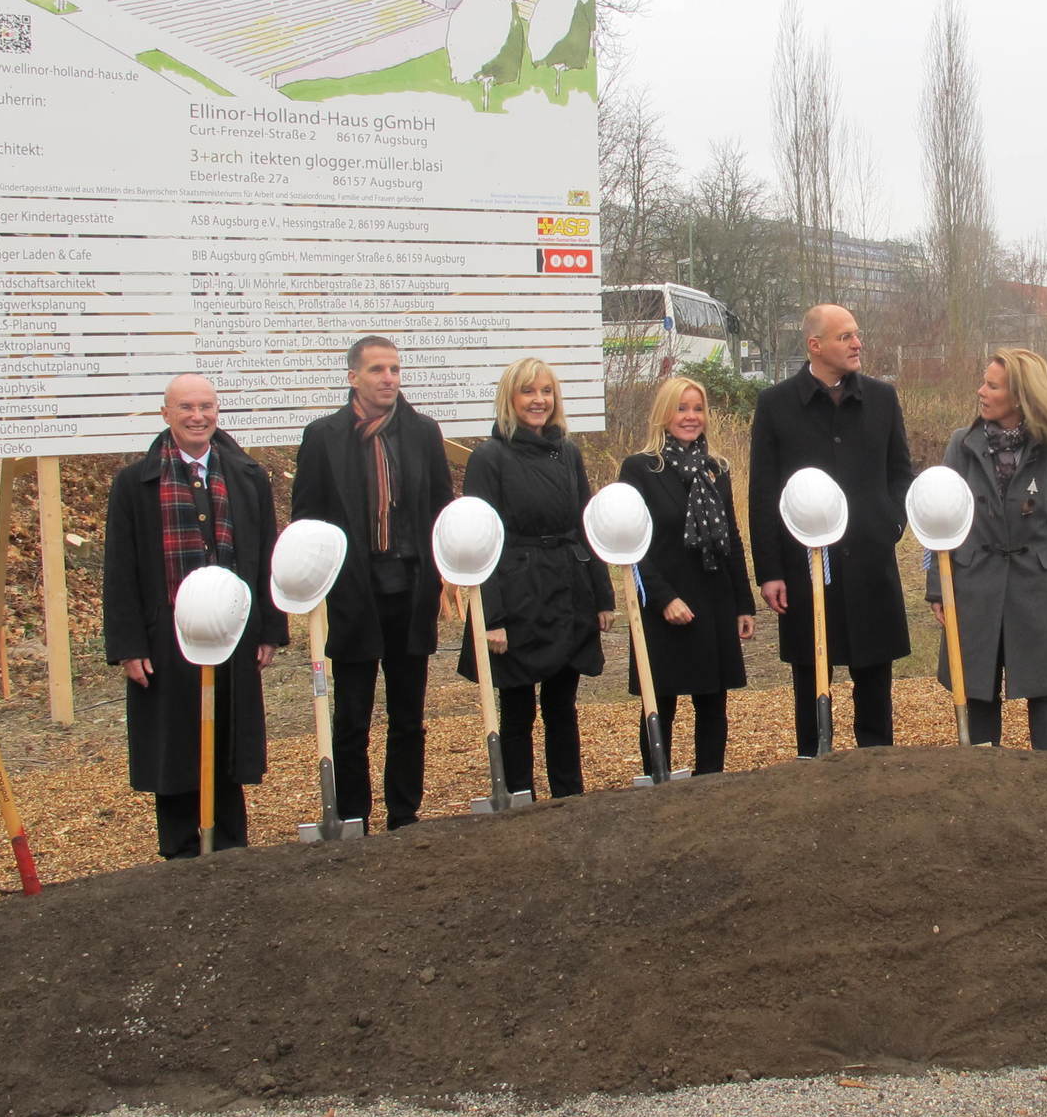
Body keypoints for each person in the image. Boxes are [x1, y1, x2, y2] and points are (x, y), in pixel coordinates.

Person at [102, 374, 286, 858]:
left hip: (233, 628)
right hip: (165, 635)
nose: (197, 416)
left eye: (206, 406)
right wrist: (128, 646)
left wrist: (269, 628)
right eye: (186, 407)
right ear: (166, 414)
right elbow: (119, 568)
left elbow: (265, 555)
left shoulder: (247, 477)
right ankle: (181, 850)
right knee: (175, 739)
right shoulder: (135, 483)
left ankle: (230, 845)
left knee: (226, 737)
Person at [291, 335, 452, 829]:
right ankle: (353, 814)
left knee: (408, 715)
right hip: (353, 594)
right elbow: (308, 520)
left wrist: (439, 579)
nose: (388, 379)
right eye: (378, 369)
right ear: (352, 377)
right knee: (352, 717)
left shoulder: (423, 433)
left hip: (410, 588)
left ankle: (404, 813)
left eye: (395, 370)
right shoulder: (324, 436)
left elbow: (440, 511)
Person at [748, 304, 914, 755]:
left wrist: (890, 521)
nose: (857, 343)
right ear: (815, 345)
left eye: (857, 334)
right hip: (803, 567)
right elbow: (763, 492)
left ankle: (877, 760)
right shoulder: (776, 404)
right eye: (845, 337)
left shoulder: (882, 398)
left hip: (869, 559)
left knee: (874, 672)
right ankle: (813, 760)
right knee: (810, 670)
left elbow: (901, 473)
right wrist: (770, 571)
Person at [457, 357, 612, 797]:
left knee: (562, 705)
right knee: (517, 707)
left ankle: (569, 796)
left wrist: (602, 596)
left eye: (546, 391)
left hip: (567, 586)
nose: (538, 400)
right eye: (528, 392)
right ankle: (518, 797)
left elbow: (585, 525)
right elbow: (481, 538)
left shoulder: (569, 452)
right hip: (515, 590)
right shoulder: (490, 457)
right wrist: (491, 616)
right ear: (510, 398)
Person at [926, 348, 1047, 749]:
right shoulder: (961, 445)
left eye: (992, 385)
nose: (980, 391)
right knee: (978, 685)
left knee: (1043, 686)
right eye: (983, 382)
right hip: (973, 580)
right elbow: (940, 520)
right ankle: (984, 777)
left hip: (1036, 583)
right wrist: (937, 587)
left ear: (1019, 397)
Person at [619, 376, 756, 774]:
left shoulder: (716, 469)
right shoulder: (640, 469)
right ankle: (657, 778)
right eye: (682, 408)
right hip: (663, 603)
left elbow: (730, 536)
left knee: (712, 701)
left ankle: (709, 782)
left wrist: (742, 604)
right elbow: (631, 546)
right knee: (660, 702)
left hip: (713, 597)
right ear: (664, 413)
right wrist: (663, 599)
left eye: (697, 409)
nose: (690, 417)